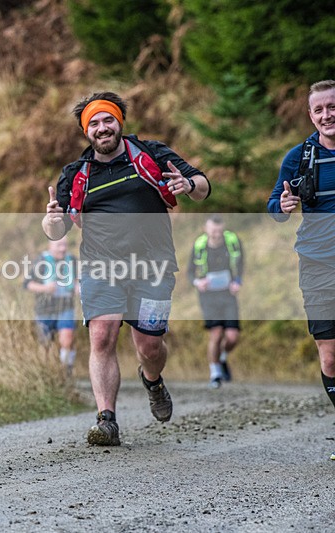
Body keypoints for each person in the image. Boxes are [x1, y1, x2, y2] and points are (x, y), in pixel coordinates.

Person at [42, 91, 210, 446]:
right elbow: (58, 229)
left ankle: (153, 380)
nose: (102, 128)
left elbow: (202, 186)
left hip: (153, 266)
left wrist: (188, 184)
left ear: (119, 122)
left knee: (150, 347)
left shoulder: (151, 153)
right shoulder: (76, 174)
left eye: (108, 120)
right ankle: (107, 420)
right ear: (86, 131)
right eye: (93, 123)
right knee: (102, 336)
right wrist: (51, 221)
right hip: (100, 267)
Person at [267, 79, 335, 461]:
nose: (327, 115)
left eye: (332, 106)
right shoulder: (299, 157)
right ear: (311, 116)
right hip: (318, 263)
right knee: (330, 357)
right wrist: (282, 206)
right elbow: (274, 207)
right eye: (319, 109)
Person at [188, 214, 244, 389]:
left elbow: (241, 263)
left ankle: (222, 357)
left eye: (219, 231)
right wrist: (198, 282)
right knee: (216, 333)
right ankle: (215, 374)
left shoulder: (232, 242)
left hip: (228, 294)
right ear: (206, 229)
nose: (216, 234)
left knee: (232, 337)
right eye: (213, 230)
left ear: (223, 229)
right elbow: (190, 272)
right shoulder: (199, 246)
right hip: (208, 296)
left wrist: (237, 282)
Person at [24, 236, 78, 376]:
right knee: (45, 345)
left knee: (67, 339)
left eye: (65, 245)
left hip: (66, 307)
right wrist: (45, 288)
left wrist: (78, 288)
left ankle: (65, 372)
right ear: (50, 246)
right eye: (59, 245)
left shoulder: (71, 260)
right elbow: (28, 284)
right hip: (44, 309)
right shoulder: (41, 261)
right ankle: (46, 375)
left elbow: (77, 281)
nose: (63, 248)